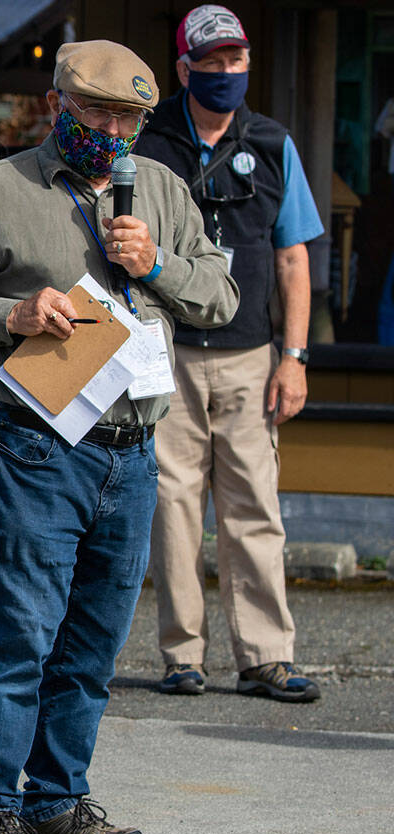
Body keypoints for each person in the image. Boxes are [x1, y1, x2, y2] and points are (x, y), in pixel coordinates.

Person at [0, 41, 239, 834]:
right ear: (58, 105)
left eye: (131, 118)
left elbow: (222, 297)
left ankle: (58, 797)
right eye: (100, 114)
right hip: (37, 444)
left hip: (134, 447)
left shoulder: (160, 187)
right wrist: (10, 316)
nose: (117, 133)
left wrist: (155, 261)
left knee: (93, 640)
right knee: (20, 633)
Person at [133, 4, 324, 703]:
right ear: (182, 69)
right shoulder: (149, 145)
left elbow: (293, 258)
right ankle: (182, 654)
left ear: (248, 65)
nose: (223, 74)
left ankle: (267, 655)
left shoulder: (273, 143)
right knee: (172, 504)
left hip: (251, 355)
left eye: (234, 62)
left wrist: (295, 355)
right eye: (209, 63)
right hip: (167, 350)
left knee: (254, 505)